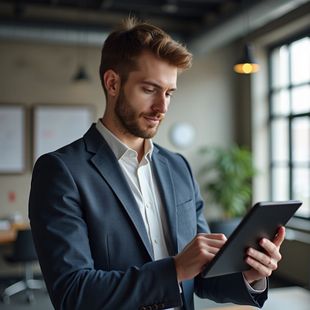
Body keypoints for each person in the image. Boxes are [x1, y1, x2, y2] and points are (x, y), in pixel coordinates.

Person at [29, 17, 285, 310]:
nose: (162, 108)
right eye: (150, 89)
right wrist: (174, 269)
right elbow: (73, 294)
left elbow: (200, 277)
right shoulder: (61, 171)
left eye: (169, 93)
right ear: (112, 83)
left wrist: (250, 275)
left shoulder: (178, 168)